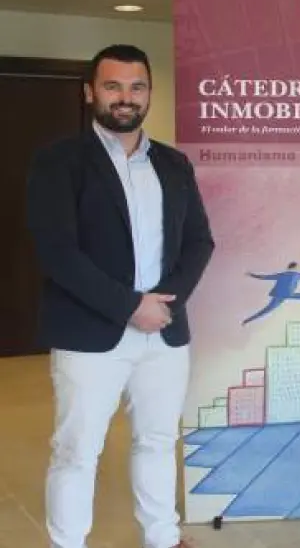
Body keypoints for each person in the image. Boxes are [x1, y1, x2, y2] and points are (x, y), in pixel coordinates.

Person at [25, 44, 214, 548]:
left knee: (158, 440)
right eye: (113, 86)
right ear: (90, 93)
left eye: (137, 87)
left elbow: (199, 241)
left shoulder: (173, 164)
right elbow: (58, 252)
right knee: (76, 451)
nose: (125, 97)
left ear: (149, 93)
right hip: (90, 333)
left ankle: (163, 538)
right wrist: (132, 306)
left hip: (164, 332)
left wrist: (165, 304)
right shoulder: (59, 162)